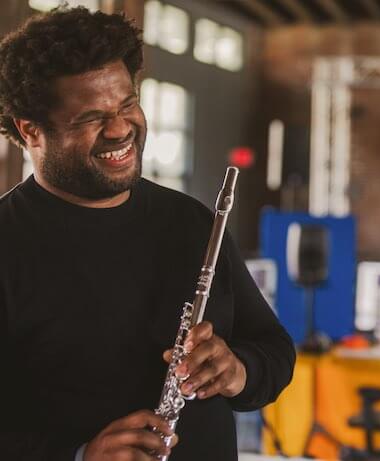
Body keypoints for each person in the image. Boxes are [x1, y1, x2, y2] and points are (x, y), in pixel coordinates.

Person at [0, 7, 295, 461]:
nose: (119, 129)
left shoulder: (194, 222)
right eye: (89, 119)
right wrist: (78, 456)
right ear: (31, 130)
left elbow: (274, 352)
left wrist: (238, 370)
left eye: (127, 104)